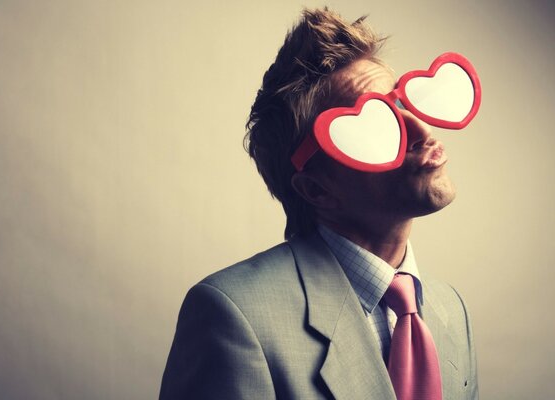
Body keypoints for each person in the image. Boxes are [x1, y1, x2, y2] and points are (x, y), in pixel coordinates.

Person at [160, 7, 478, 400]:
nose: (421, 131)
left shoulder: (450, 309)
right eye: (372, 125)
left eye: (404, 104)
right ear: (316, 189)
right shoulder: (233, 317)